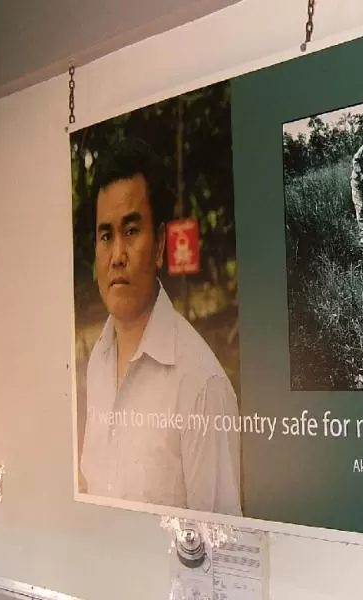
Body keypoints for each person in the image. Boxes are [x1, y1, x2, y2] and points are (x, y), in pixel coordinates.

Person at [78, 137, 242, 516]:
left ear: (159, 246)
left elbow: (220, 546)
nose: (117, 255)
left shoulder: (201, 384)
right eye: (106, 235)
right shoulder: (97, 364)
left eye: (131, 231)